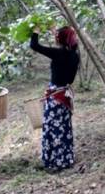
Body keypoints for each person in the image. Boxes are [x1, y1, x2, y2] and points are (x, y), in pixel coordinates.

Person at [30, 26, 80, 172]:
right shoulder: (74, 55)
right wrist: (56, 33)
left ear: (60, 40)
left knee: (52, 127)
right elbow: (69, 77)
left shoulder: (58, 53)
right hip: (64, 95)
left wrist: (36, 31)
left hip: (55, 96)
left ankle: (54, 161)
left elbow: (34, 45)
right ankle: (65, 158)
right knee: (64, 127)